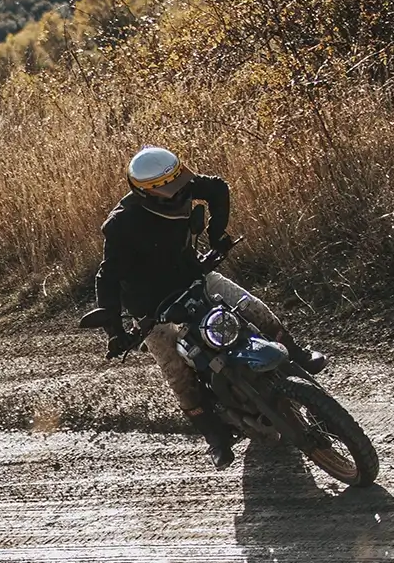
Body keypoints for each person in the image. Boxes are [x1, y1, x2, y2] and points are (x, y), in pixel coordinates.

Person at [92, 146, 327, 468]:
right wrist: (115, 331)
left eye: (178, 184)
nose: (178, 195)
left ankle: (296, 354)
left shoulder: (184, 185)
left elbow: (217, 188)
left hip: (193, 277)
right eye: (167, 190)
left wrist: (217, 234)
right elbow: (106, 277)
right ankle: (214, 435)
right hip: (150, 307)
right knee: (176, 371)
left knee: (254, 308)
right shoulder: (121, 225)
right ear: (145, 192)